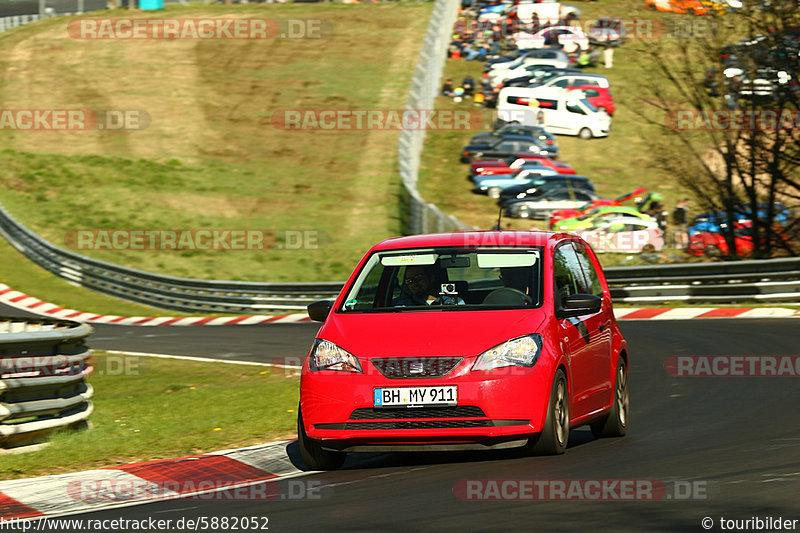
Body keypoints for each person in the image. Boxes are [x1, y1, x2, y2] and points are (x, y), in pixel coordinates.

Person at [393, 266, 465, 307]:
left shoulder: (454, 302)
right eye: (409, 280)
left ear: (431, 278)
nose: (414, 283)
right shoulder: (403, 306)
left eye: (418, 277)